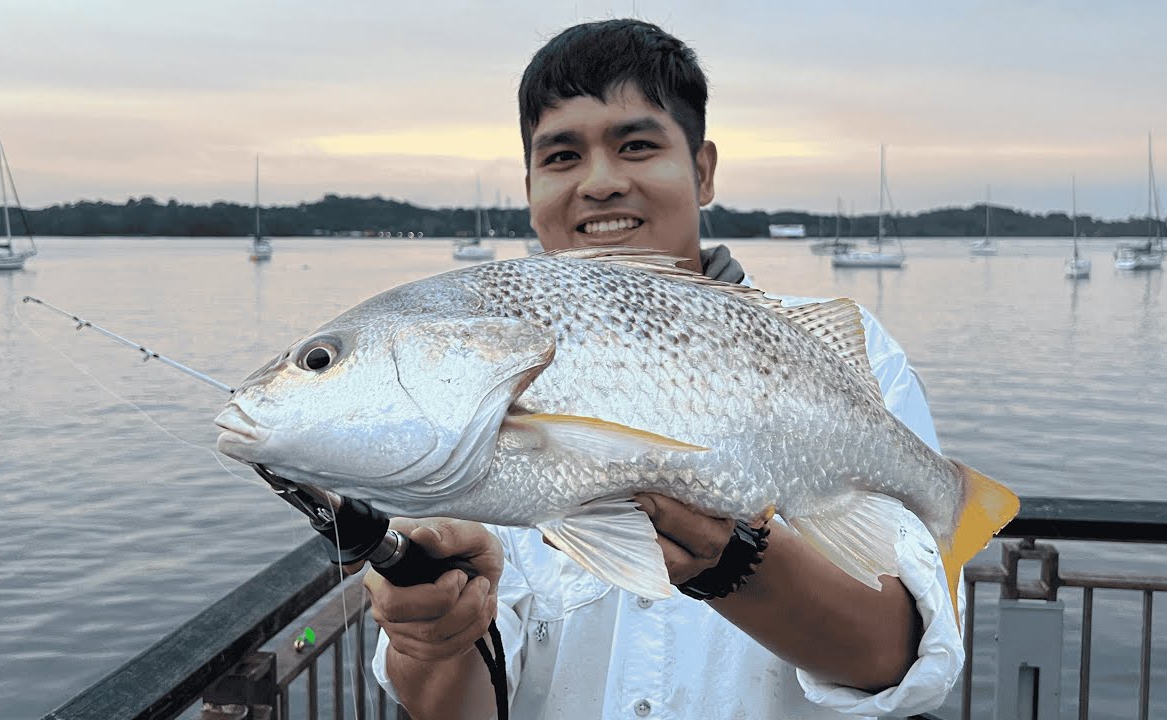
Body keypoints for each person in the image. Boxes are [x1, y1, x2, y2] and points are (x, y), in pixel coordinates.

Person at [364, 19, 963, 719]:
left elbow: (893, 658)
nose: (600, 182)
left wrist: (736, 561)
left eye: (637, 146)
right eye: (561, 156)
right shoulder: (470, 380)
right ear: (529, 185)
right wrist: (431, 640)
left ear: (703, 169)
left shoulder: (844, 351)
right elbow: (456, 710)